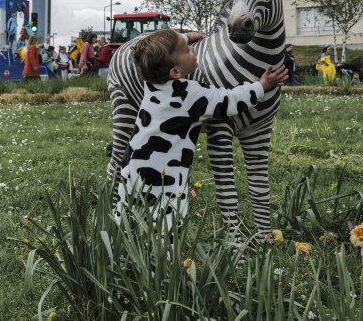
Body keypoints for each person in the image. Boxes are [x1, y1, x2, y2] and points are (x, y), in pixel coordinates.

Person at [114, 29, 287, 227]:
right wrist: (261, 86)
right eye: (187, 49)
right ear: (176, 72)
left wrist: (185, 38)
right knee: (168, 221)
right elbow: (229, 100)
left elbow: (157, 51)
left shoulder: (150, 84)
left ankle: (123, 240)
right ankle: (167, 247)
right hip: (165, 177)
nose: (194, 49)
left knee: (128, 215)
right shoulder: (191, 94)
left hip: (132, 167)